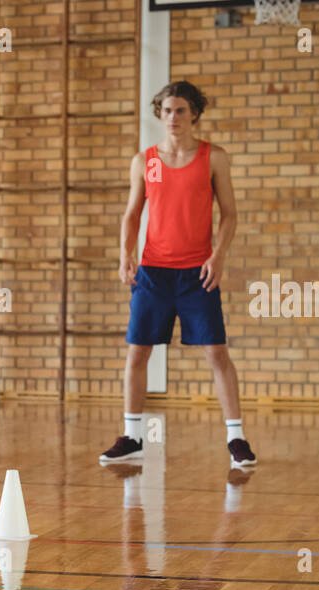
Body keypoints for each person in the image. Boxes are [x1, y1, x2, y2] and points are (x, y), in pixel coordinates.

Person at [101, 80, 257, 469]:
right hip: (153, 272)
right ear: (160, 114)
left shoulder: (213, 157)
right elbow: (132, 214)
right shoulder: (145, 161)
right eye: (167, 111)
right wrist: (125, 256)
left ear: (194, 115)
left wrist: (218, 255)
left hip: (197, 273)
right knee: (138, 351)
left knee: (217, 353)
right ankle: (132, 435)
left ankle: (236, 438)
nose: (173, 118)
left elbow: (230, 213)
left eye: (181, 111)